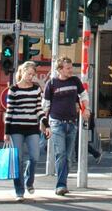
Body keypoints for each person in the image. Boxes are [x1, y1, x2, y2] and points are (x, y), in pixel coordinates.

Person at [42, 56, 90, 196]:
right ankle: (61, 185)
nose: (71, 70)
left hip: (72, 123)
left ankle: (63, 181)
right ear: (59, 69)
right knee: (61, 154)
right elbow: (46, 106)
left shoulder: (75, 81)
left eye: (71, 68)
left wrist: (85, 108)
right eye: (68, 68)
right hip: (56, 123)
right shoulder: (51, 84)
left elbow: (83, 95)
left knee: (68, 157)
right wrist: (44, 124)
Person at [5, 61, 51, 202]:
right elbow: (9, 111)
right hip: (16, 128)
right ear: (22, 72)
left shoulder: (36, 89)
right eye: (29, 73)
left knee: (35, 157)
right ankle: (19, 191)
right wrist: (6, 132)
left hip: (32, 128)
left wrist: (46, 125)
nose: (31, 77)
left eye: (33, 74)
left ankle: (29, 181)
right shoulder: (13, 89)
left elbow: (39, 109)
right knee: (18, 160)